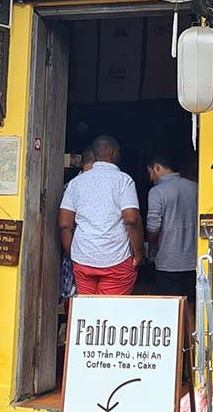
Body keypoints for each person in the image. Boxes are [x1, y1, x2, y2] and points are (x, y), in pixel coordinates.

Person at [58, 135, 144, 295]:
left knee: (88, 311)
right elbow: (132, 220)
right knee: (110, 314)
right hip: (116, 259)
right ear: (112, 153)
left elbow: (64, 224)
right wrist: (139, 254)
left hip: (83, 259)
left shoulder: (76, 183)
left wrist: (74, 254)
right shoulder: (123, 180)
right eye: (118, 151)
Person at [147, 153, 198, 318]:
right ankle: (191, 343)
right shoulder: (195, 188)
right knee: (190, 307)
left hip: (168, 262)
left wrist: (152, 246)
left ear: (156, 167)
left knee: (170, 310)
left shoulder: (157, 192)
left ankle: (176, 344)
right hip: (192, 260)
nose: (150, 178)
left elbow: (153, 227)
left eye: (150, 173)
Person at [59, 148, 95, 303]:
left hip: (80, 250)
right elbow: (65, 224)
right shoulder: (72, 187)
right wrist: (72, 254)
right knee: (76, 299)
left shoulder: (71, 186)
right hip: (77, 249)